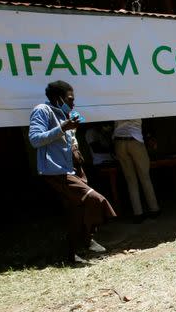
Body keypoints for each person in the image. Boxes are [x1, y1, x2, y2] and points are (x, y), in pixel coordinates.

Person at [29, 81, 116, 263]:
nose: (73, 103)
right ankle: (88, 240)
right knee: (95, 199)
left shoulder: (66, 113)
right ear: (57, 98)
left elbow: (70, 140)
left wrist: (72, 128)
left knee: (76, 210)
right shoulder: (42, 110)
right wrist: (62, 128)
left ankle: (71, 254)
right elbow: (35, 140)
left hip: (74, 167)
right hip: (57, 170)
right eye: (70, 99)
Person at [113, 119, 160, 223]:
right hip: (135, 140)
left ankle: (138, 213)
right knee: (145, 177)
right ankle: (154, 209)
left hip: (119, 141)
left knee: (131, 180)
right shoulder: (135, 103)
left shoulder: (114, 104)